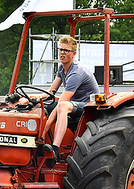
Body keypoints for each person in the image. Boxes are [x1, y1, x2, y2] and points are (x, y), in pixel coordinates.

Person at [38, 35, 99, 167]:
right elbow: (50, 93)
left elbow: (62, 103)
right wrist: (33, 99)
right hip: (76, 104)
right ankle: (39, 147)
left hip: (89, 107)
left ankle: (54, 149)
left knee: (62, 106)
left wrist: (44, 130)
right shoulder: (62, 68)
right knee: (42, 105)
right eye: (60, 50)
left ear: (74, 54)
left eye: (66, 50)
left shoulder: (75, 73)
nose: (62, 53)